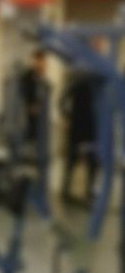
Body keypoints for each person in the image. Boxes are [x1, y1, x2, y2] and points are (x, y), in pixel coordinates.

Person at [59, 66, 99, 205]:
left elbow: (62, 101)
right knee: (72, 160)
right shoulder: (78, 81)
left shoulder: (97, 84)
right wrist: (67, 117)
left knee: (92, 161)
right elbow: (62, 100)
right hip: (78, 128)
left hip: (91, 129)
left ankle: (88, 192)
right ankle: (66, 192)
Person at [18, 48, 49, 146]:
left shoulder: (41, 77)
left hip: (39, 118)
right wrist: (31, 105)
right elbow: (24, 93)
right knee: (29, 138)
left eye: (43, 61)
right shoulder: (27, 77)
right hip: (27, 115)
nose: (43, 64)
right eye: (40, 61)